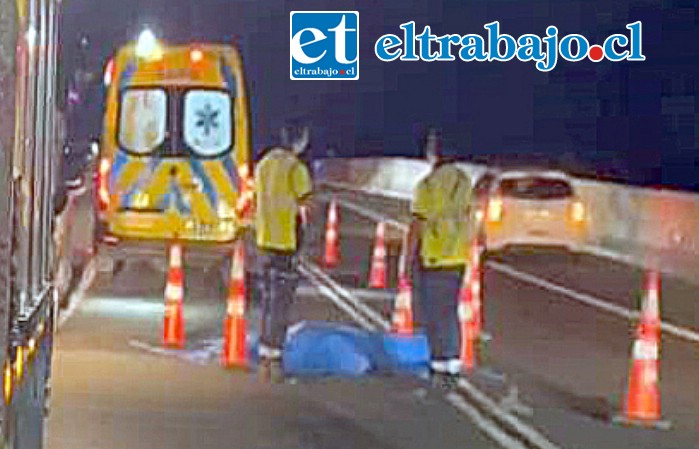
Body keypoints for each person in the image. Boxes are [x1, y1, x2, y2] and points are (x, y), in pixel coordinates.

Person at [404, 128, 474, 388]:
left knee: (431, 313)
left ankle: (437, 362)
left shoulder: (428, 185)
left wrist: (406, 261)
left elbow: (416, 226)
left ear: (435, 152)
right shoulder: (464, 181)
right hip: (456, 257)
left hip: (432, 257)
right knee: (449, 310)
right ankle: (452, 362)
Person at [254, 127, 313, 382]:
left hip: (264, 241)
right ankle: (274, 361)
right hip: (286, 244)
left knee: (268, 303)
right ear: (299, 141)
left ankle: (264, 358)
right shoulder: (295, 168)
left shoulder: (264, 164)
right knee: (281, 307)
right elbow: (306, 204)